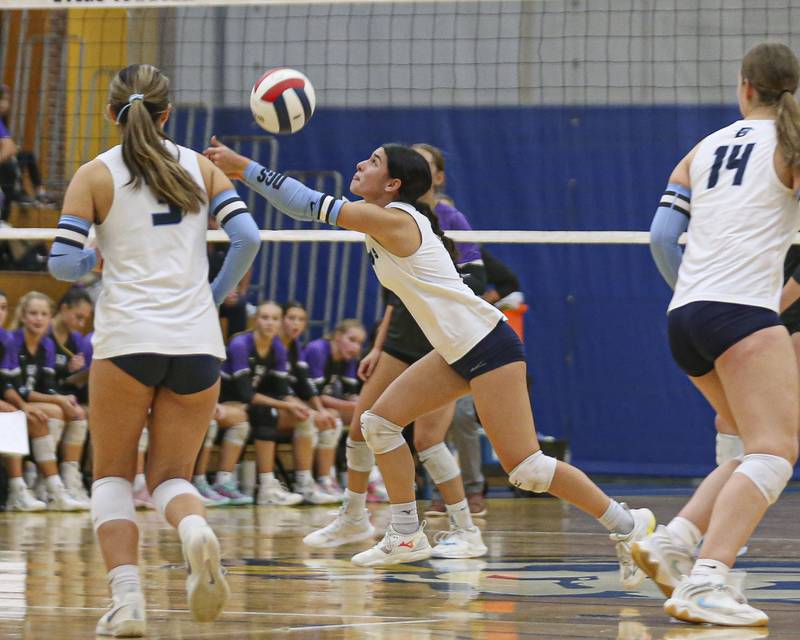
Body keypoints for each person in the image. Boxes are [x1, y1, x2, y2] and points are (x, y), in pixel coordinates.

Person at [204, 138, 655, 578]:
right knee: (378, 423)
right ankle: (404, 533)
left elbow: (304, 203)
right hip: (454, 350)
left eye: (374, 161)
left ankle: (627, 525)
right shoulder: (381, 219)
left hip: (488, 345)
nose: (361, 164)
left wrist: (245, 168)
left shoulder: (396, 219)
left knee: (527, 468)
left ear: (393, 184)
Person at [47, 63, 261, 636]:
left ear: (111, 113)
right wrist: (211, 297)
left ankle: (128, 601)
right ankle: (192, 530)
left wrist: (98, 255)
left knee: (112, 477)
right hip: (197, 342)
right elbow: (247, 237)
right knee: (172, 477)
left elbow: (61, 264)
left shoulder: (95, 175)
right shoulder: (202, 168)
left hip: (127, 340)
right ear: (169, 113)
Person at [637, 42, 800, 627]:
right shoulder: (791, 144)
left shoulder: (704, 146)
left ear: (745, 87)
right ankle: (708, 582)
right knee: (777, 452)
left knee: (754, 445)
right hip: (744, 316)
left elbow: (660, 237)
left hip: (685, 316)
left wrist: (693, 289)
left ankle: (672, 542)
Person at [221, 301, 330, 505]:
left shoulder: (278, 347)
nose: (269, 323)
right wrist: (288, 405)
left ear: (279, 323)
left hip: (248, 405)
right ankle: (266, 486)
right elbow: (246, 394)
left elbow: (282, 390)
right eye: (264, 317)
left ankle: (305, 484)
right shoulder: (240, 344)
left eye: (274, 319)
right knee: (267, 413)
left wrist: (301, 408)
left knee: (303, 417)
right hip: (226, 402)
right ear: (255, 320)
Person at [2, 291, 86, 511]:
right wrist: (26, 404)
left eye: (43, 314)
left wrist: (60, 398)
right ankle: (24, 487)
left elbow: (46, 384)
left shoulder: (47, 345)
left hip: (15, 400)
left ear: (50, 318)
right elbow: (13, 387)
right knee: (25, 415)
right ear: (22, 316)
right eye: (33, 313)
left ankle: (62, 483)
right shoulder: (12, 340)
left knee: (75, 413)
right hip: (12, 402)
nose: (38, 319)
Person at [279, 301, 343, 497]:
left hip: (287, 402)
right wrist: (314, 412)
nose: (296, 324)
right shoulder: (274, 345)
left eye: (301, 319)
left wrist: (320, 409)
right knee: (307, 418)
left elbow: (306, 384)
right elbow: (280, 389)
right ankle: (303, 483)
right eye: (291, 318)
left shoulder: (295, 347)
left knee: (333, 420)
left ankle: (325, 480)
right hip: (268, 405)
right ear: (282, 321)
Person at [302, 318, 365, 496]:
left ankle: (362, 478)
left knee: (368, 419)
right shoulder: (318, 350)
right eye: (352, 340)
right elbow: (315, 395)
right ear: (337, 336)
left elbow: (351, 394)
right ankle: (322, 479)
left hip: (324, 406)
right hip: (303, 401)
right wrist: (353, 405)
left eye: (360, 343)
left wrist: (361, 403)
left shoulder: (349, 359)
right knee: (333, 418)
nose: (356, 347)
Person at [0, 288, 46, 511]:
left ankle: (22, 487)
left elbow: (6, 383)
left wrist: (22, 404)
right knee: (10, 416)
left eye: (2, 308)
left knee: (21, 414)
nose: (0, 313)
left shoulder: (5, 339)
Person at [49, 288, 94, 507]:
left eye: (85, 319)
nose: (82, 324)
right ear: (64, 308)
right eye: (79, 317)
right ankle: (49, 481)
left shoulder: (75, 340)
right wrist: (67, 373)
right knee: (70, 413)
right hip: (42, 396)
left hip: (64, 396)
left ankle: (72, 480)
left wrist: (77, 374)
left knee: (85, 413)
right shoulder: (43, 334)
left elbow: (70, 382)